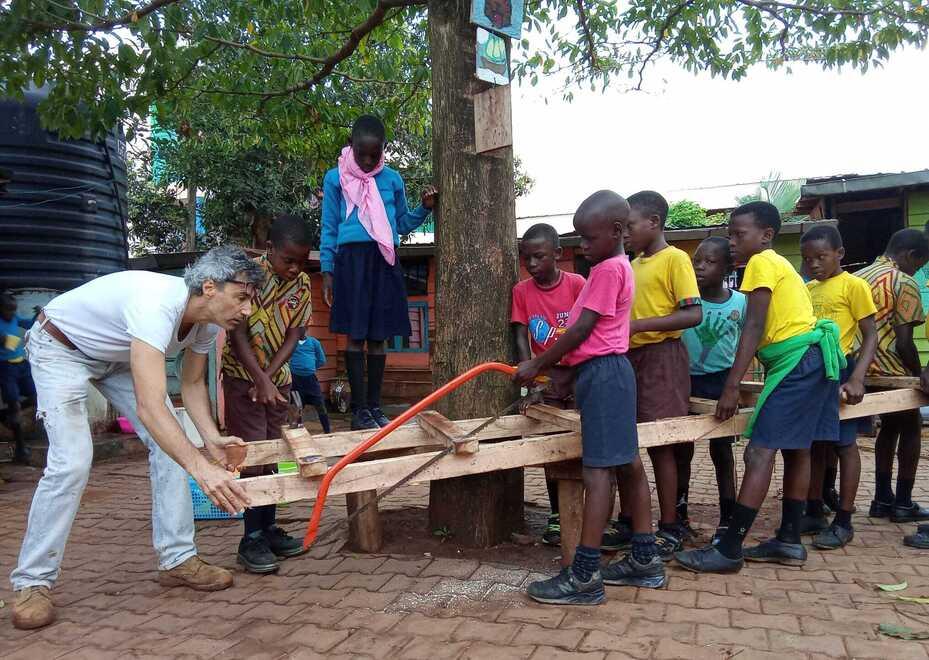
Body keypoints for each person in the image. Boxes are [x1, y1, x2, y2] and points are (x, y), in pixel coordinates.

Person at [10, 246, 259, 630]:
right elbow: (150, 407)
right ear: (210, 287)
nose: (246, 310)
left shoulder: (208, 324)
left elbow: (192, 383)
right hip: (60, 347)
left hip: (116, 357)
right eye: (241, 297)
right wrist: (201, 470)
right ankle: (32, 582)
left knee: (172, 445)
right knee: (72, 461)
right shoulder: (157, 305)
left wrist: (211, 439)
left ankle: (177, 559)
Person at [675, 201, 843, 573]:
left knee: (759, 453)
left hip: (797, 362)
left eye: (739, 234)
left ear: (766, 235)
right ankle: (788, 540)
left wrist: (731, 386)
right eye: (730, 235)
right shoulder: (779, 263)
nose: (732, 242)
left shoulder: (762, 262)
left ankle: (729, 548)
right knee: (797, 450)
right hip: (809, 360)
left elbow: (753, 326)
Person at [516, 190, 665, 605]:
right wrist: (561, 376)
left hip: (604, 375)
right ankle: (645, 557)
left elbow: (581, 330)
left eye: (587, 238)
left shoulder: (605, 271)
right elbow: (589, 337)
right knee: (628, 465)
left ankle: (584, 575)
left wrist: (538, 364)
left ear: (616, 231)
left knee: (598, 472)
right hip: (609, 373)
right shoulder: (618, 265)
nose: (580, 246)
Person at [320, 114, 438, 431]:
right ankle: (358, 411)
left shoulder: (393, 180)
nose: (369, 160)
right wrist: (327, 270)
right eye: (362, 153)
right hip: (352, 261)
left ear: (384, 148)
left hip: (384, 259)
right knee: (356, 336)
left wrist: (424, 208)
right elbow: (329, 226)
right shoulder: (335, 178)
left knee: (378, 337)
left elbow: (399, 224)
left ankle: (375, 407)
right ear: (351, 145)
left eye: (375, 154)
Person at [221, 214, 314, 574]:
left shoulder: (302, 284)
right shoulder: (246, 278)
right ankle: (251, 538)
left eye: (300, 262)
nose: (294, 268)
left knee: (274, 456)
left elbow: (294, 335)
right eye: (288, 260)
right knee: (253, 456)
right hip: (242, 380)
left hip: (276, 382)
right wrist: (258, 379)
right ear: (270, 249)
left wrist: (270, 379)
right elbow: (237, 333)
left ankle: (269, 529)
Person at [623, 190, 702, 560]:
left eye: (630, 225)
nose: (625, 233)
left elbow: (692, 314)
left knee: (663, 443)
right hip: (632, 358)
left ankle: (670, 526)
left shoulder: (676, 259)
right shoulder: (632, 264)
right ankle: (631, 520)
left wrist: (639, 325)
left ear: (653, 222)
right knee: (631, 442)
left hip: (663, 358)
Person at [799, 224, 878, 549]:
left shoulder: (854, 286)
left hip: (841, 369)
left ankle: (844, 519)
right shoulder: (807, 290)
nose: (814, 264)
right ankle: (814, 509)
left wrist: (857, 377)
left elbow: (869, 334)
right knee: (816, 445)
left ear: (839, 254)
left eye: (821, 257)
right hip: (814, 372)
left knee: (845, 445)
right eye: (808, 259)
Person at [511, 222, 587, 548]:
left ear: (557, 254)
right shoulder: (521, 291)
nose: (531, 265)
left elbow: (587, 328)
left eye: (538, 257)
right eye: (526, 258)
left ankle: (586, 513)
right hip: (547, 375)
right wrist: (531, 379)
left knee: (583, 442)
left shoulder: (577, 284)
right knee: (552, 447)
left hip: (581, 372)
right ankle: (557, 516)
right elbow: (519, 333)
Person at [854, 229, 929, 523]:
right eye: (920, 265)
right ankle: (903, 502)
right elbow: (904, 341)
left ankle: (881, 499)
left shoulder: (858, 277)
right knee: (910, 426)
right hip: (890, 370)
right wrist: (917, 373)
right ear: (911, 256)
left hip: (858, 371)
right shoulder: (904, 282)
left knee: (888, 428)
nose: (918, 272)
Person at [680, 237, 745, 543]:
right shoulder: (684, 301)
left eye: (710, 262)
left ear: (728, 268)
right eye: (697, 261)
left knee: (721, 450)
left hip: (721, 382)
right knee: (681, 448)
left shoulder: (740, 303)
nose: (701, 266)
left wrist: (734, 388)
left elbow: (747, 345)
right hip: (684, 381)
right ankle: (679, 514)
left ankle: (727, 516)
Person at [0, 292, 36, 464]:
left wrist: (38, 315)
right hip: (6, 367)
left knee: (36, 397)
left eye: (13, 310)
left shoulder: (14, 318)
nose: (12, 313)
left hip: (22, 364)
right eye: (8, 310)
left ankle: (5, 415)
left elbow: (28, 324)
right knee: (14, 405)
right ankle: (21, 448)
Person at [291, 328, 331, 435]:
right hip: (295, 380)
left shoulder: (314, 342)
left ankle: (327, 431)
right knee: (297, 406)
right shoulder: (290, 342)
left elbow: (321, 360)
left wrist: (310, 367)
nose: (300, 329)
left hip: (311, 380)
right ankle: (297, 431)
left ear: (307, 328)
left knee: (320, 405)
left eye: (303, 327)